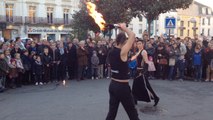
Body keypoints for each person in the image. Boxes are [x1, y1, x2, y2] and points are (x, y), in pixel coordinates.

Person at [106, 23, 140, 120]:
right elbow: (132, 36)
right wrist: (124, 28)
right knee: (132, 113)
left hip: (112, 85)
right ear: (124, 42)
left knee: (112, 113)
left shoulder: (111, 51)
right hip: (122, 87)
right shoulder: (122, 52)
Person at [131, 40, 160, 106]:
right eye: (138, 44)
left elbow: (146, 62)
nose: (139, 45)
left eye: (140, 43)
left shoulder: (144, 51)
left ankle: (155, 98)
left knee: (146, 86)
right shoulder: (138, 52)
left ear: (143, 44)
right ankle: (134, 99)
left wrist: (143, 72)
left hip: (141, 71)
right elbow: (134, 59)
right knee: (136, 86)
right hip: (137, 70)